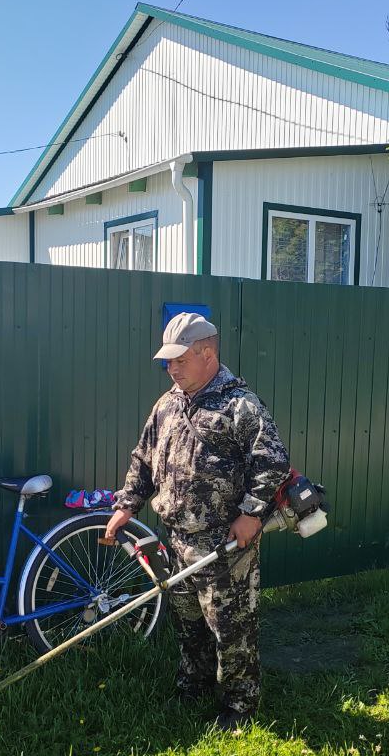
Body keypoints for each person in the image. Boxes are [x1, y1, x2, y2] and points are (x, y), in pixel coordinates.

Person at [106, 312, 291, 731]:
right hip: (176, 538)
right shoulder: (168, 404)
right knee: (189, 621)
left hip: (224, 542)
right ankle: (195, 684)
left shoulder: (240, 405)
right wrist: (127, 506)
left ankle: (240, 706)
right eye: (168, 362)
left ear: (207, 354)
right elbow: (143, 459)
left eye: (179, 360)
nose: (171, 369)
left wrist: (251, 514)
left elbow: (273, 463)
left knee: (232, 626)